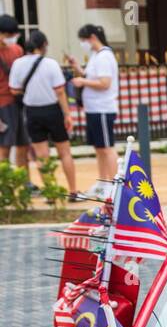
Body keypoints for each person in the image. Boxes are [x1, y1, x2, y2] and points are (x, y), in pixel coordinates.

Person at [9, 31, 81, 200]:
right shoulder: (50, 64)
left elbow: (13, 89)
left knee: (42, 156)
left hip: (32, 112)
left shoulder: (18, 64)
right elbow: (60, 91)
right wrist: (67, 114)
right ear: (43, 46)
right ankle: (73, 191)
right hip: (53, 111)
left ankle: (51, 193)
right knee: (65, 152)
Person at [66, 23, 118, 190]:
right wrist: (78, 69)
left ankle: (115, 184)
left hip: (102, 107)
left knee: (107, 147)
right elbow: (92, 76)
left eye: (83, 40)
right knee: (99, 148)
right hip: (93, 108)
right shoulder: (96, 55)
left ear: (92, 38)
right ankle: (103, 181)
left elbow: (105, 83)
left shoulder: (104, 56)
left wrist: (82, 81)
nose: (83, 44)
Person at [0, 14, 29, 177]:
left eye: (13, 35)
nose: (12, 38)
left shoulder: (17, 50)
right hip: (3, 104)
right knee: (4, 147)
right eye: (8, 35)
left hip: (19, 102)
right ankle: (4, 186)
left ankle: (25, 182)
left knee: (23, 145)